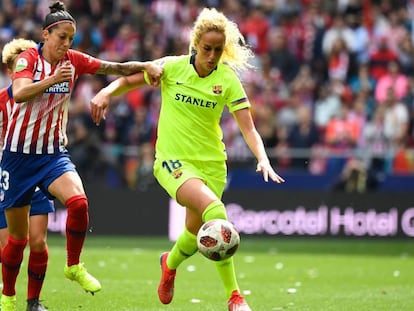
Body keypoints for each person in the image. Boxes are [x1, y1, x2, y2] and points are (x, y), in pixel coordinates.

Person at [90, 7, 285, 311]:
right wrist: (106, 92)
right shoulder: (171, 67)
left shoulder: (227, 80)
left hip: (212, 165)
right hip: (172, 161)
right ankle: (235, 296)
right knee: (217, 212)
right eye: (207, 48)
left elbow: (248, 127)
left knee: (196, 236)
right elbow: (129, 81)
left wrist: (263, 158)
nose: (212, 55)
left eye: (218, 50)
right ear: (195, 44)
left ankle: (169, 264)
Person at [0, 2, 162, 311]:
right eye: (61, 37)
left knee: (78, 202)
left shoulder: (73, 61)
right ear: (45, 34)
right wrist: (53, 79)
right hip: (17, 160)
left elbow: (115, 67)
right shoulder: (27, 59)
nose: (66, 45)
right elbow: (19, 93)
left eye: (71, 40)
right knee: (17, 241)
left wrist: (145, 66)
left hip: (51, 156)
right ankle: (8, 297)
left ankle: (72, 266)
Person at [0, 38, 55, 311]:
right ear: (10, 71)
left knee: (38, 241)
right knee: (12, 244)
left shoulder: (46, 96)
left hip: (37, 170)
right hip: (8, 176)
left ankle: (33, 302)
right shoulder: (2, 101)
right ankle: (7, 294)